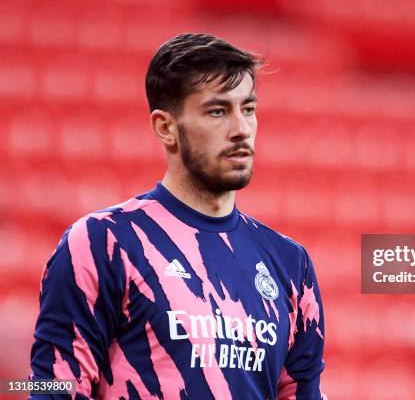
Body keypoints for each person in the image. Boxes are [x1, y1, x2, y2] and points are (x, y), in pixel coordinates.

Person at [30, 33, 326, 399]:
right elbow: (53, 386)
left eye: (248, 109)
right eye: (218, 111)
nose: (241, 129)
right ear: (165, 127)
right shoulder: (103, 242)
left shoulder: (289, 263)